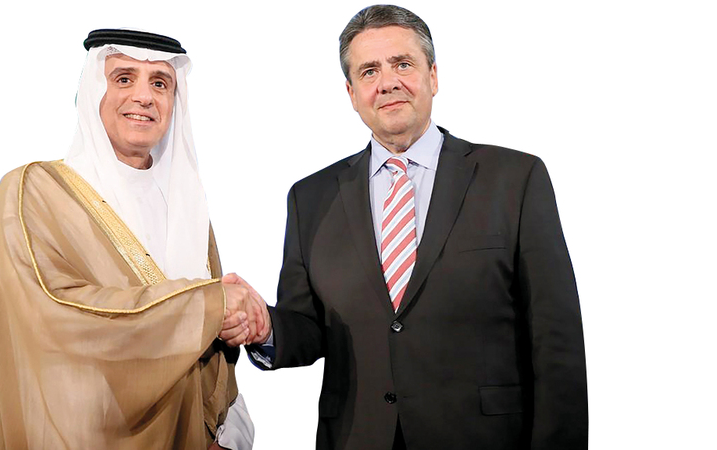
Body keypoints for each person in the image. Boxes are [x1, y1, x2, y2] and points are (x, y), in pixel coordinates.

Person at [231, 5, 587, 449]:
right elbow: (309, 328)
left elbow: (556, 341)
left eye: (402, 64)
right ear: (352, 92)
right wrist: (265, 328)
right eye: (369, 71)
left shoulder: (515, 179)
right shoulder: (311, 198)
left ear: (433, 76)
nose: (387, 82)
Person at [0, 29, 263, 449]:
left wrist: (227, 429)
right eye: (123, 78)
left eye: (160, 83)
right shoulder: (37, 189)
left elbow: (210, 345)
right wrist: (212, 305)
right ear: (93, 92)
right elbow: (61, 316)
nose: (144, 97)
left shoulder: (187, 206)